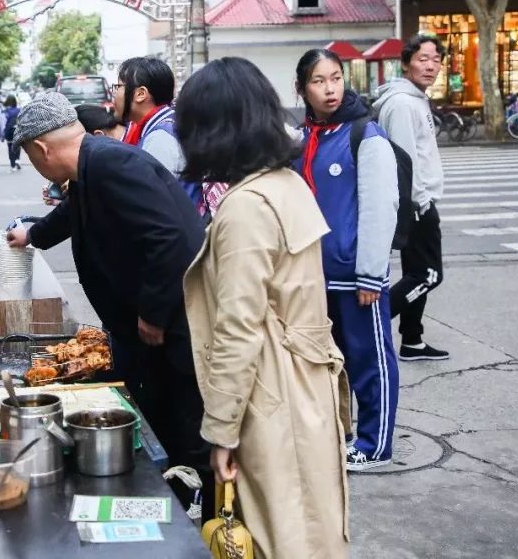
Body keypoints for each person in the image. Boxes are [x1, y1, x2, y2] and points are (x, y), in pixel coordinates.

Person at [5, 92, 210, 509]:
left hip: (172, 326)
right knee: (155, 414)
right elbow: (71, 214)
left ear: (42, 149)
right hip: (142, 327)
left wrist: (152, 314)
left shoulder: (111, 163)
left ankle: (202, 519)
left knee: (184, 425)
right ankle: (172, 500)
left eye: (31, 158)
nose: (36, 167)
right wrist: (33, 236)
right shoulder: (89, 166)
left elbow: (168, 237)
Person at [177, 57, 347, 559]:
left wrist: (221, 433)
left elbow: (238, 329)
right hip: (306, 386)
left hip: (273, 398)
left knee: (282, 536)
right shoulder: (286, 184)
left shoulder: (247, 207)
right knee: (313, 527)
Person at [292, 49, 400, 471]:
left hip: (356, 275)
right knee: (328, 366)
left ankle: (376, 445)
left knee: (368, 360)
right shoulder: (303, 138)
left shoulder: (364, 135)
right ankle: (344, 435)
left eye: (335, 77)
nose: (330, 88)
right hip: (315, 275)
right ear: (301, 88)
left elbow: (380, 207)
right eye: (319, 81)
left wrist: (371, 275)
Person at [374, 34, 450, 361]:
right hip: (416, 204)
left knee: (415, 273)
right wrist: (419, 203)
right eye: (422, 59)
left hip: (418, 202)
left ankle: (412, 340)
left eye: (436, 60)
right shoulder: (403, 103)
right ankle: (369, 327)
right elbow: (404, 161)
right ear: (406, 63)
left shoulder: (414, 98)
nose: (430, 66)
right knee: (428, 275)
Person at [114, 57, 202, 209]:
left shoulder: (160, 138)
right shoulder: (167, 122)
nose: (114, 94)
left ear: (140, 94)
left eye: (118, 86)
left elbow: (149, 201)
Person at [3, 95, 22, 171]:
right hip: (17, 130)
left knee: (10, 147)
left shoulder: (6, 111)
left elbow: (4, 122)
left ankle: (13, 165)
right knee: (17, 146)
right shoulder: (19, 110)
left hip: (9, 131)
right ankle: (17, 159)